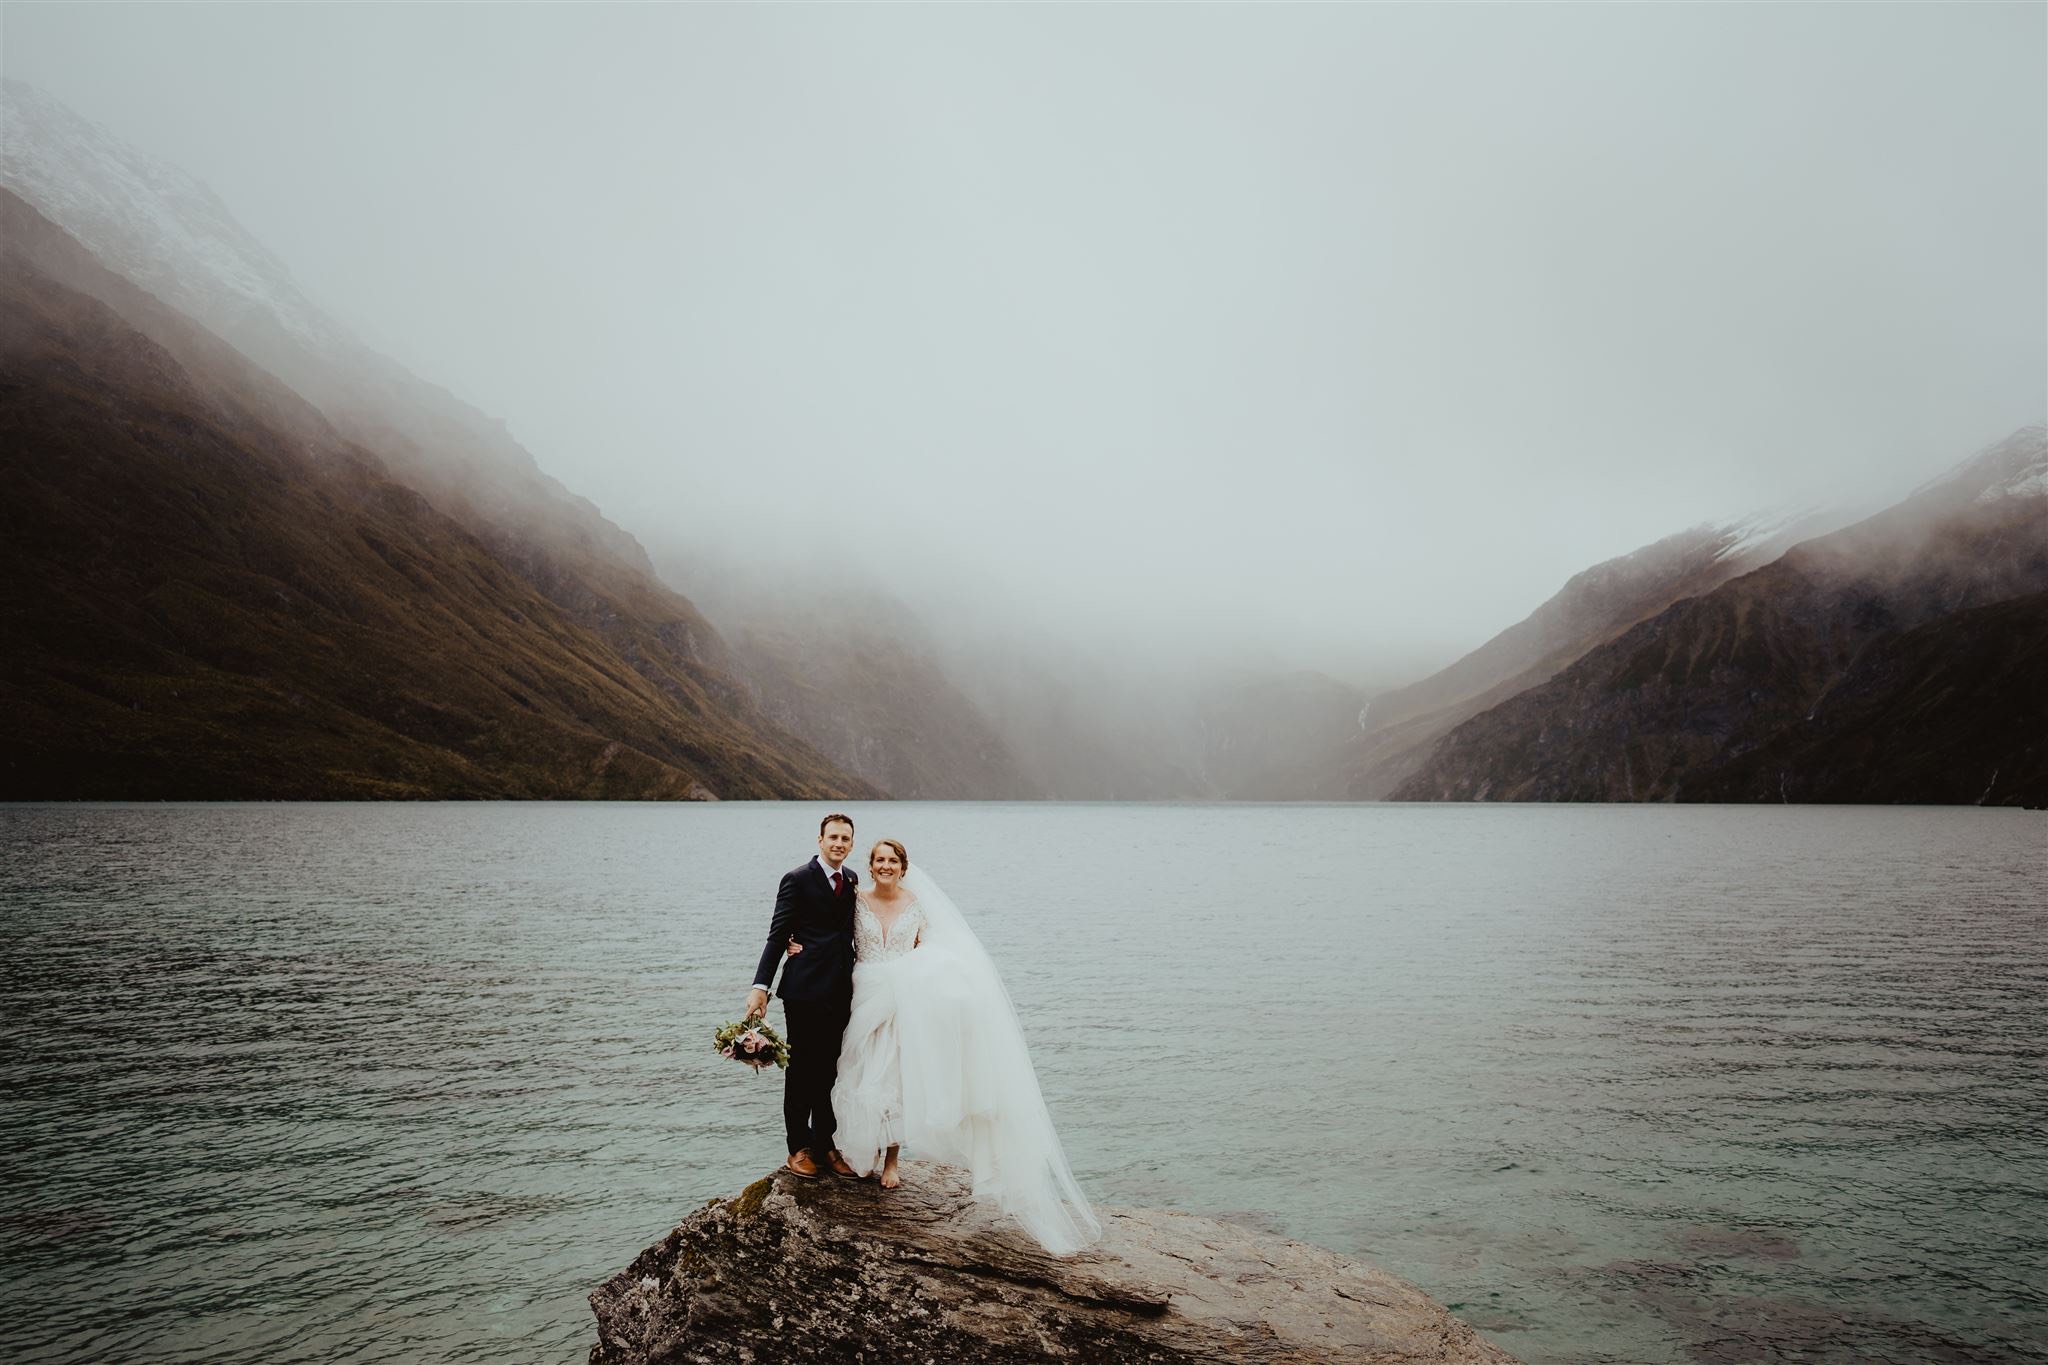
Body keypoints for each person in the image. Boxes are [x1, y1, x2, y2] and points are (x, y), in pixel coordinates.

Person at [786, 837, 1100, 1255]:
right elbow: (825, 928)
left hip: (903, 998)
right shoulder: (855, 899)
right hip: (861, 993)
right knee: (858, 1070)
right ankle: (861, 1148)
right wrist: (797, 944)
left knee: (897, 1073)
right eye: (878, 860)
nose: (884, 866)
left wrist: (939, 982)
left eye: (892, 861)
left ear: (902, 865)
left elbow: (940, 946)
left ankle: (892, 1160)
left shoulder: (917, 904)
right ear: (871, 864)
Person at [745, 813, 859, 1180]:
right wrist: (760, 987)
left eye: (845, 838)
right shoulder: (797, 879)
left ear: (851, 844)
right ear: (820, 840)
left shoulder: (852, 879)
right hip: (805, 991)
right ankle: (799, 1147)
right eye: (833, 837)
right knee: (801, 1072)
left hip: (841, 990)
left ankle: (826, 1144)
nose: (839, 843)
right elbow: (778, 935)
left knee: (831, 1070)